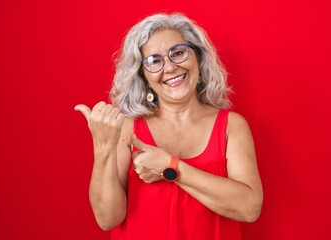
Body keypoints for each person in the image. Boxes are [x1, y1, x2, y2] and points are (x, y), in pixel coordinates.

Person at [75, 12, 263, 240]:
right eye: (154, 61)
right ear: (143, 77)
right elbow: (108, 218)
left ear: (198, 58)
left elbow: (249, 208)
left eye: (178, 53)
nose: (170, 67)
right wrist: (103, 146)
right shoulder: (127, 127)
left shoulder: (231, 126)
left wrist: (169, 167)